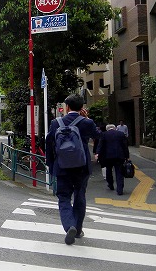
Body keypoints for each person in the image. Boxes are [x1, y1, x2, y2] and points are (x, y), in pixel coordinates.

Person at [46, 94, 99, 245]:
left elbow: (49, 144)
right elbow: (98, 136)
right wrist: (88, 119)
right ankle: (78, 228)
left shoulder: (56, 123)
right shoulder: (87, 123)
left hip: (62, 167)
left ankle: (70, 226)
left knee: (63, 197)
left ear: (67, 107)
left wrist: (50, 165)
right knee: (80, 196)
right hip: (82, 167)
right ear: (82, 108)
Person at [96, 124, 130, 195]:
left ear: (107, 129)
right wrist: (127, 156)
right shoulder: (121, 134)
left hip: (107, 156)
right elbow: (125, 146)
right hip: (119, 156)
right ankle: (120, 189)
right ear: (115, 128)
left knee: (108, 170)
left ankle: (110, 184)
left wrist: (97, 153)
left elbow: (100, 145)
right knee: (119, 172)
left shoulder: (104, 134)